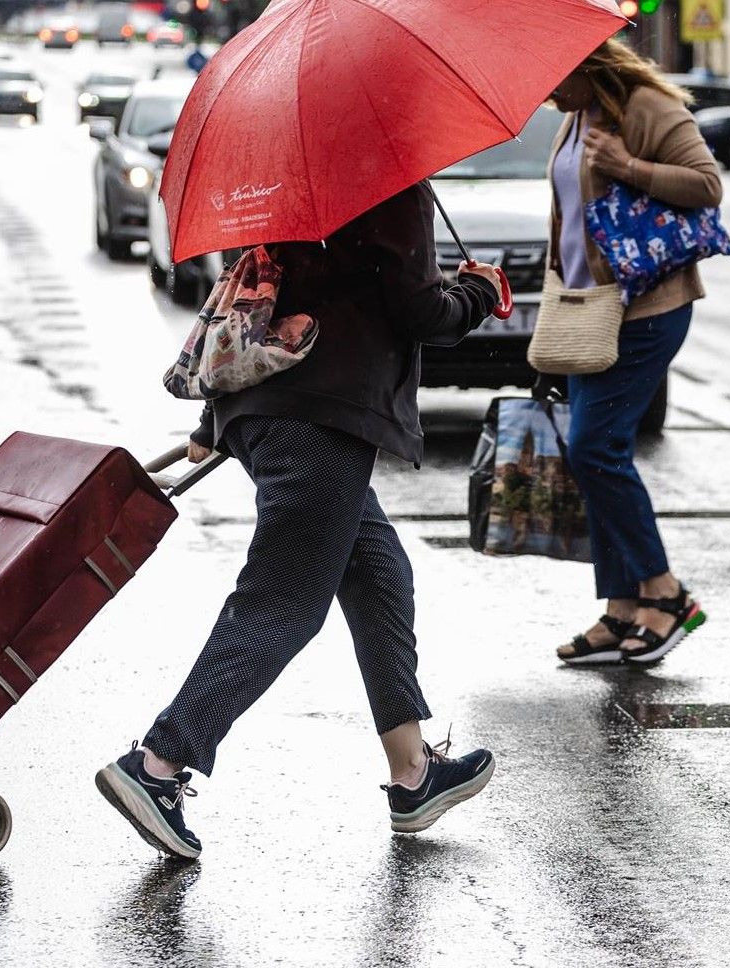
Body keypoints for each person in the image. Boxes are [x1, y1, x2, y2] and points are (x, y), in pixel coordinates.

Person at [96, 183, 506, 860]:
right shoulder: (391, 187)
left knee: (378, 574)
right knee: (283, 603)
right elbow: (419, 311)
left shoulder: (289, 179)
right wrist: (478, 293)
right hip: (320, 421)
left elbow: (257, 291)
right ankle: (160, 763)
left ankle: (413, 773)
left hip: (265, 410)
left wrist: (214, 419)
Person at [544, 39, 721, 667]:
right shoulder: (574, 118)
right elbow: (568, 223)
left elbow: (707, 185)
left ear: (587, 64)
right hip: (588, 314)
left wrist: (628, 166)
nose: (546, 91)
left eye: (554, 77)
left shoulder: (646, 108)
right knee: (594, 453)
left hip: (647, 307)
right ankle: (621, 609)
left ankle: (665, 594)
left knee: (596, 447)